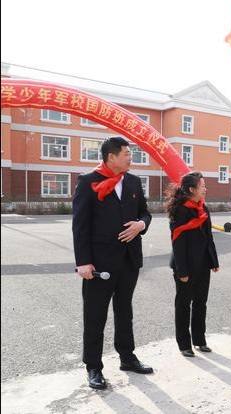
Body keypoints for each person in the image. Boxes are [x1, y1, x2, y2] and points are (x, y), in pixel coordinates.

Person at [72, 136, 153, 390]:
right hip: (100, 264)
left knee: (124, 311)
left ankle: (127, 357)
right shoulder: (88, 182)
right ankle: (93, 366)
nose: (131, 158)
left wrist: (141, 225)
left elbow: (145, 212)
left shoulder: (133, 181)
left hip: (129, 259)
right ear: (111, 157)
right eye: (127, 154)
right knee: (95, 315)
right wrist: (83, 262)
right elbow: (80, 226)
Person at [166, 172, 220, 357]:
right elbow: (178, 241)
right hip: (185, 265)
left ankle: (199, 340)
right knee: (183, 305)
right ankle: (184, 344)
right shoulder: (180, 210)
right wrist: (182, 270)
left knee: (200, 302)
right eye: (202, 186)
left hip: (203, 263)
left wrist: (213, 260)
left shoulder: (203, 207)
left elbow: (208, 237)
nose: (205, 189)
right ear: (191, 189)